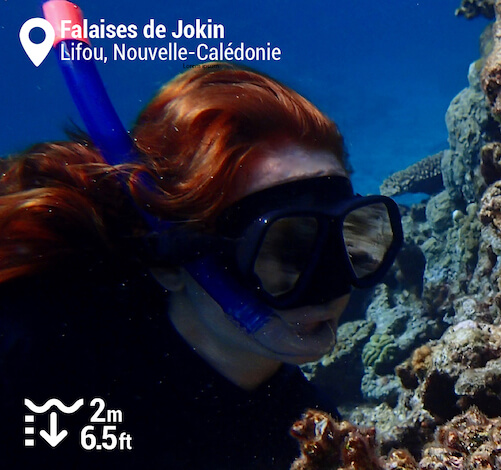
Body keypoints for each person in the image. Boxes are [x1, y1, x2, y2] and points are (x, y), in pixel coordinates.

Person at [0, 63, 402, 469]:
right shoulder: (32, 350)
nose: (331, 283)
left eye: (349, 239)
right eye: (284, 249)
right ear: (169, 263)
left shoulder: (306, 437)